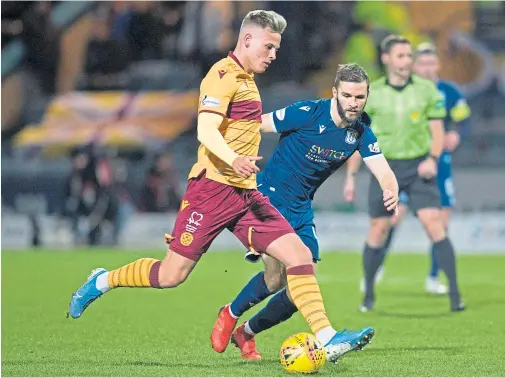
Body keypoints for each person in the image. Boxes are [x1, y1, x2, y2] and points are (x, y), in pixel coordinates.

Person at [68, 10, 371, 354]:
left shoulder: (247, 80)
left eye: (276, 49)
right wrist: (234, 160)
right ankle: (102, 280)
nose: (273, 55)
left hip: (245, 194)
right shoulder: (222, 76)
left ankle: (328, 339)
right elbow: (205, 130)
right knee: (171, 276)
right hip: (211, 191)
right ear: (247, 40)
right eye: (269, 47)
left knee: (298, 254)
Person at [210, 63, 399, 362]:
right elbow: (257, 124)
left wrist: (391, 189)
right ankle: (230, 313)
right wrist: (228, 148)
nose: (353, 103)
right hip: (267, 201)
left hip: (300, 208)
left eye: (360, 97)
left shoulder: (362, 130)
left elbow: (383, 170)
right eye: (348, 96)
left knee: (298, 286)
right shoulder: (308, 112)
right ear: (335, 92)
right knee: (278, 279)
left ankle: (246, 331)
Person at [344, 35, 465, 313]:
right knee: (379, 229)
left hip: (419, 166)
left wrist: (433, 159)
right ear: (386, 59)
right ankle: (369, 293)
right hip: (384, 168)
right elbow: (356, 137)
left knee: (434, 224)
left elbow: (437, 129)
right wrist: (351, 176)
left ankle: (455, 294)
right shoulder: (371, 93)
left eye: (409, 56)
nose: (407, 61)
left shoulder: (427, 90)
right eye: (401, 56)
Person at [377, 43, 472, 295]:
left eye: (431, 63)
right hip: (408, 162)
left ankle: (433, 276)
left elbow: (464, 121)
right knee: (394, 216)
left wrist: (455, 133)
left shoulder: (450, 92)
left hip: (440, 164)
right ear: (414, 66)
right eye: (422, 64)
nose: (427, 68)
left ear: (438, 65)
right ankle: (377, 265)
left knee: (441, 218)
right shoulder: (405, 92)